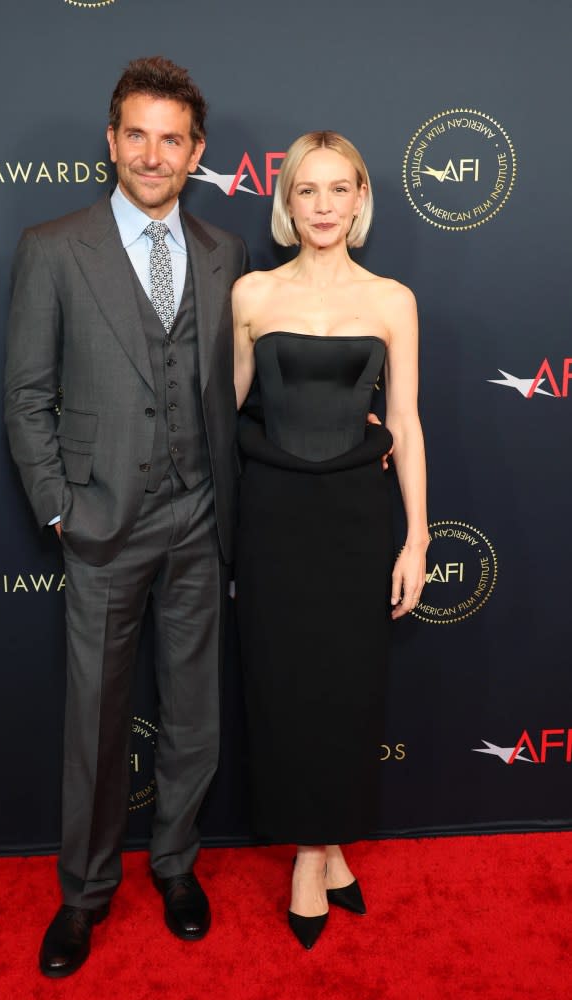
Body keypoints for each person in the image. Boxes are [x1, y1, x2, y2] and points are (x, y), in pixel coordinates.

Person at [4, 56, 247, 978]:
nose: (153, 154)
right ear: (111, 142)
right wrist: (58, 506)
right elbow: (25, 395)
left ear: (196, 153)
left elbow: (243, 384)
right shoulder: (53, 247)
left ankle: (177, 865)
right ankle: (85, 892)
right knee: (96, 722)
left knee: (193, 713)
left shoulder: (226, 253)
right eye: (136, 135)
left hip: (199, 518)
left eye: (171, 139)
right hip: (101, 524)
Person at [232, 131, 428, 949]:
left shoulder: (392, 300)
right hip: (271, 517)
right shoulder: (249, 294)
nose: (321, 206)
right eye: (305, 190)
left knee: (346, 688)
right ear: (286, 202)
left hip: (354, 517)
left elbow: (408, 424)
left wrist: (415, 537)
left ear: (359, 199)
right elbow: (226, 413)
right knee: (283, 685)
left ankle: (322, 846)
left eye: (337, 189)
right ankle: (315, 855)